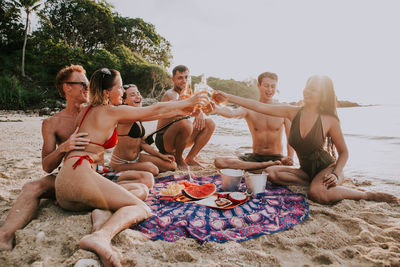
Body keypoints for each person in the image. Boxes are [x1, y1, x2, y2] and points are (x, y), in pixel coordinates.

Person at [54, 68, 206, 267]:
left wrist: (185, 109)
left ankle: (100, 218)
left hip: (66, 183)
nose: (122, 92)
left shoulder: (85, 110)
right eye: (119, 88)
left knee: (139, 190)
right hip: (79, 174)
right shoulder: (110, 111)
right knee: (141, 208)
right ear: (108, 92)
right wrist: (189, 102)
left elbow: (157, 111)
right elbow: (154, 110)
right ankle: (101, 237)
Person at [0, 65, 152, 251]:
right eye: (82, 84)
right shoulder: (52, 123)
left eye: (88, 83)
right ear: (67, 87)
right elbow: (47, 166)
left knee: (145, 181)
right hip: (71, 175)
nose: (87, 87)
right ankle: (5, 235)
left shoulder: (97, 109)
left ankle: (101, 203)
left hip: (98, 172)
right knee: (33, 186)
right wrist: (63, 148)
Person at [214, 75, 399, 205]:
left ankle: (367, 194)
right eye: (307, 88)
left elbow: (344, 152)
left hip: (327, 169)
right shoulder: (292, 112)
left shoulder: (329, 119)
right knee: (272, 172)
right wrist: (228, 97)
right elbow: (258, 106)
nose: (307, 92)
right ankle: (315, 182)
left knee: (317, 194)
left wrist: (336, 173)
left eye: (313, 90)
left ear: (322, 95)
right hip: (305, 171)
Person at [213, 72, 294, 172]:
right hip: (255, 157)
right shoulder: (250, 108)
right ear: (259, 85)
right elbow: (232, 113)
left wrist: (290, 157)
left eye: (273, 86)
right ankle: (264, 166)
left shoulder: (283, 109)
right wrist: (215, 109)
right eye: (266, 86)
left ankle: (259, 168)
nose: (270, 90)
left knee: (278, 170)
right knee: (219, 161)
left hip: (277, 158)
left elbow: (291, 137)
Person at [155, 65, 216, 169]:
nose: (184, 80)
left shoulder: (189, 94)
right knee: (186, 123)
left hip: (180, 137)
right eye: (180, 78)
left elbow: (196, 107)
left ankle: (190, 158)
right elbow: (181, 103)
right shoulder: (170, 94)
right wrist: (198, 112)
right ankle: (179, 159)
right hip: (165, 140)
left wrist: (200, 112)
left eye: (186, 77)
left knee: (210, 123)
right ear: (173, 79)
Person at [110, 84, 177, 175]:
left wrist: (161, 156)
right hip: (121, 162)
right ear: (124, 101)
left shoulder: (138, 117)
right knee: (153, 170)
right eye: (133, 95)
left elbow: (142, 144)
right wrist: (179, 107)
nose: (138, 97)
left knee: (172, 165)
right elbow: (156, 112)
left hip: (137, 157)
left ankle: (141, 166)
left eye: (138, 93)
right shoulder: (125, 117)